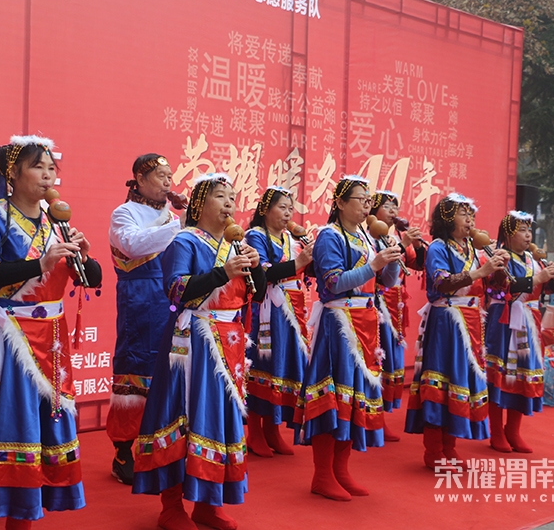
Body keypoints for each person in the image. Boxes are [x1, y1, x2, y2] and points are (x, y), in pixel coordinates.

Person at [0, 135, 102, 528]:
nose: (47, 175)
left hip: (52, 337)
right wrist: (38, 264)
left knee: (42, 431)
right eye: (37, 167)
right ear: (14, 173)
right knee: (5, 427)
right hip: (10, 335)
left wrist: (84, 257)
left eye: (51, 168)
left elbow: (89, 280)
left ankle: (24, 519)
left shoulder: (56, 221)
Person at [133, 173, 266, 530]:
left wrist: (257, 268)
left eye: (233, 198)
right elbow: (176, 291)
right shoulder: (185, 241)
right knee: (183, 414)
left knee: (221, 419)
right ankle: (171, 506)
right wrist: (223, 272)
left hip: (230, 340)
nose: (229, 204)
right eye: (221, 196)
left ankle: (209, 502)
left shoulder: (235, 246)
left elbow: (257, 294)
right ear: (198, 204)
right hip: (192, 339)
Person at [295, 176, 402, 501]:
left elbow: (384, 280)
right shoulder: (329, 235)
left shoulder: (367, 238)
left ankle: (341, 469)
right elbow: (334, 282)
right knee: (334, 397)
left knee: (353, 398)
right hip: (339, 323)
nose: (366, 205)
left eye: (369, 200)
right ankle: (322, 474)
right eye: (360, 199)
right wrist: (374, 265)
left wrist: (390, 261)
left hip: (365, 323)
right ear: (340, 203)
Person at [404, 193, 507, 469]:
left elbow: (496, 289)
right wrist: (478, 272)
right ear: (448, 218)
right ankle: (433, 450)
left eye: (472, 215)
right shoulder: (438, 247)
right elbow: (440, 283)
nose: (470, 220)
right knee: (442, 382)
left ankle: (450, 447)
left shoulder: (473, 249)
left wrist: (499, 267)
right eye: (464, 214)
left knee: (460, 384)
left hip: (472, 321)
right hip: (446, 321)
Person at [106, 154, 182, 484]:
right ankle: (123, 448)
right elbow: (133, 245)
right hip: (139, 298)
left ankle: (161, 445)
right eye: (160, 175)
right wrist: (176, 224)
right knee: (135, 371)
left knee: (168, 370)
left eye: (170, 176)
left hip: (170, 296)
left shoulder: (172, 215)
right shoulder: (124, 213)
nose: (168, 181)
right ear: (139, 177)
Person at [244, 186, 314, 457]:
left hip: (293, 312)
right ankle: (256, 432)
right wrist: (298, 263)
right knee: (264, 365)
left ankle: (273, 428)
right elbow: (261, 273)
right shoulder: (255, 236)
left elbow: (307, 269)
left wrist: (310, 257)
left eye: (290, 208)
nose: (287, 214)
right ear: (265, 210)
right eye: (282, 207)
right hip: (266, 313)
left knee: (284, 367)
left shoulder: (291, 238)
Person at [485, 212, 554, 453]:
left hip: (528, 321)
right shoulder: (499, 256)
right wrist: (537, 278)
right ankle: (496, 431)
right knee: (500, 374)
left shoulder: (531, 258)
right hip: (504, 320)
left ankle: (513, 430)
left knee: (522, 375)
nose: (528, 235)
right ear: (508, 234)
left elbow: (542, 287)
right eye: (522, 230)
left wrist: (551, 278)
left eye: (529, 230)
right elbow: (501, 287)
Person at [368, 189, 426, 442]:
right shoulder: (371, 236)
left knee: (391, 361)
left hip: (396, 307)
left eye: (395, 208)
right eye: (388, 208)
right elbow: (376, 273)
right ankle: (371, 418)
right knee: (377, 360)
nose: (394, 212)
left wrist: (414, 243)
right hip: (377, 305)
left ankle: (379, 417)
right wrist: (401, 245)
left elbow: (418, 264)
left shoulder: (394, 236)